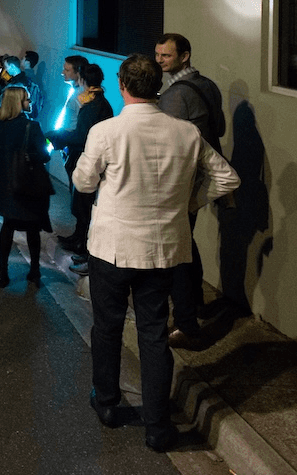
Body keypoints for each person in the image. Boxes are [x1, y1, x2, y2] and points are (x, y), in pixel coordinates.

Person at [73, 53, 239, 453]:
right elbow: (227, 178)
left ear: (122, 85)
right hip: (164, 248)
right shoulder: (185, 133)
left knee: (108, 328)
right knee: (153, 335)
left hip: (112, 248)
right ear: (158, 87)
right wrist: (190, 203)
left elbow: (82, 183)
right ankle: (158, 426)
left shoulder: (106, 131)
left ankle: (108, 403)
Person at [154, 33, 227, 350]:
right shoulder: (207, 85)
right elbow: (220, 127)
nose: (160, 61)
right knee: (186, 243)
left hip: (182, 183)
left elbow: (164, 146)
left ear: (185, 56)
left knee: (176, 254)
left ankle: (186, 325)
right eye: (157, 55)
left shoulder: (173, 97)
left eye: (166, 56)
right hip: (202, 178)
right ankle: (195, 304)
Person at [47, 64, 114, 275]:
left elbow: (82, 135)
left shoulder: (92, 104)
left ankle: (83, 247)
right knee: (80, 202)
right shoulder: (100, 102)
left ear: (83, 80)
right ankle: (78, 239)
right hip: (87, 156)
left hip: (86, 158)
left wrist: (56, 136)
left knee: (83, 203)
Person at [0, 85, 52, 287]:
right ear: (19, 102)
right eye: (27, 100)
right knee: (32, 228)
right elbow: (44, 156)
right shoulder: (32, 127)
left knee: (8, 226)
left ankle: (2, 272)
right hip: (27, 184)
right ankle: (35, 271)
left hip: (5, 182)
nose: (30, 103)